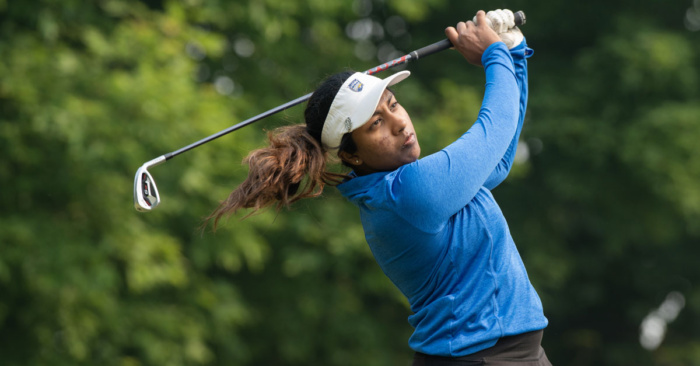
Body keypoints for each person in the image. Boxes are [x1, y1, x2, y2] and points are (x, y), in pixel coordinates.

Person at [206, 9, 550, 366]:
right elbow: (493, 130)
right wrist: (495, 55)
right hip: (479, 359)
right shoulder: (408, 194)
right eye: (376, 125)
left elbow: (497, 159)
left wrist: (514, 52)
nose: (399, 123)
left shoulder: (411, 185)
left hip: (512, 355)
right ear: (351, 156)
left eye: (394, 104)